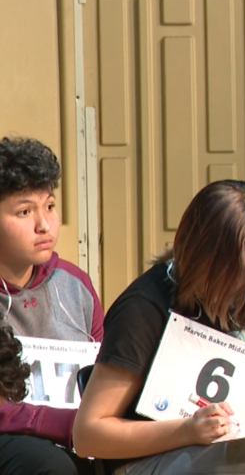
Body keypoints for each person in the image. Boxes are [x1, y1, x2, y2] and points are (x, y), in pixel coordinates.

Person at [72, 180, 245, 474]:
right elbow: (88, 435)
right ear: (202, 258)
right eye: (235, 274)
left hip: (222, 449)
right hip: (150, 461)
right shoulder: (143, 309)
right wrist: (188, 430)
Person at [0, 136, 101, 475]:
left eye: (50, 206)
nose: (44, 225)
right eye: (25, 211)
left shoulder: (76, 285)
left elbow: (104, 375)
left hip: (78, 435)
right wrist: (68, 425)